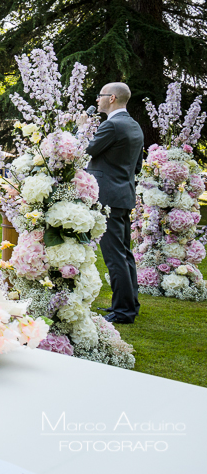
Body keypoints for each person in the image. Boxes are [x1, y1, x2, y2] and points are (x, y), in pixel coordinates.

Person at [87, 82, 144, 324]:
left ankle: (123, 312)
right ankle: (129, 305)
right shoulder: (134, 126)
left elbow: (87, 150)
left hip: (108, 198)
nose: (97, 100)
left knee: (114, 257)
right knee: (125, 254)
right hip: (123, 196)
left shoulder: (111, 125)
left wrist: (82, 128)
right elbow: (137, 166)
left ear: (111, 98)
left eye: (100, 96)